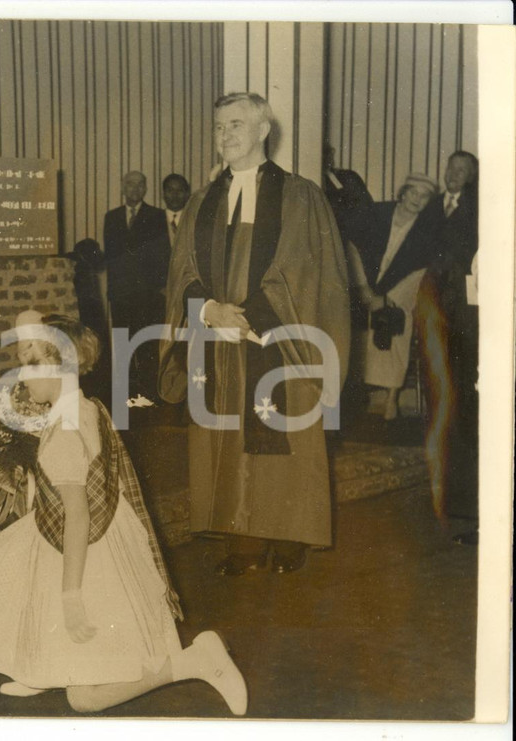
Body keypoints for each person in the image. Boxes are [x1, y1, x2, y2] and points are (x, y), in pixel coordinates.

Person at [0, 313, 247, 714]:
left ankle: (194, 661)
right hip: (110, 526)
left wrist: (72, 595)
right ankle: (43, 668)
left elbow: (78, 518)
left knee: (84, 698)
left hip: (89, 543)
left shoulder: (66, 432)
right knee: (21, 573)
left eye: (30, 365)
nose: (21, 378)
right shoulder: (86, 407)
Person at [159, 92, 350, 576]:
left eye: (236, 125)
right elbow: (182, 270)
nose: (225, 136)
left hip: (276, 338)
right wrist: (208, 310)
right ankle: (237, 531)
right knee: (225, 430)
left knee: (282, 429)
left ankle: (288, 533)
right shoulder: (203, 200)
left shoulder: (300, 195)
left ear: (264, 130)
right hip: (218, 340)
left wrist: (252, 315)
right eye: (219, 127)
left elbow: (308, 269)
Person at [415, 151, 479, 543]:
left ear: (472, 176)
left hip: (464, 322)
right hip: (434, 318)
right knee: (444, 404)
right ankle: (453, 500)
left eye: (461, 171)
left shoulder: (479, 211)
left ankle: (467, 504)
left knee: (464, 407)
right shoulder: (433, 208)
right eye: (449, 168)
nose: (452, 175)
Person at [344, 173, 439, 420]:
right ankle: (354, 394)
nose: (417, 199)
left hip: (398, 291)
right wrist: (363, 288)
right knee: (350, 327)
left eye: (424, 196)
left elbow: (420, 271)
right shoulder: (378, 213)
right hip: (362, 282)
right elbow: (351, 245)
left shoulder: (427, 231)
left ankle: (391, 398)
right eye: (413, 192)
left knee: (399, 320)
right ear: (403, 193)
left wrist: (388, 300)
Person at [103, 171, 171, 399]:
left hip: (147, 296)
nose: (135, 189)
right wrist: (112, 291)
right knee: (122, 345)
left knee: (147, 345)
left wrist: (159, 290)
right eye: (130, 184)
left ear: (145, 189)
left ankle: (149, 394)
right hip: (121, 296)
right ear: (123, 188)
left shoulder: (157, 215)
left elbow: (163, 256)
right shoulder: (111, 218)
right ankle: (124, 395)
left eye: (140, 185)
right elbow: (112, 258)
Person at [162, 173, 192, 243]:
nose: (175, 195)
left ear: (187, 194)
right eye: (170, 190)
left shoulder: (193, 219)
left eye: (180, 190)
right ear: (163, 194)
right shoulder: (153, 221)